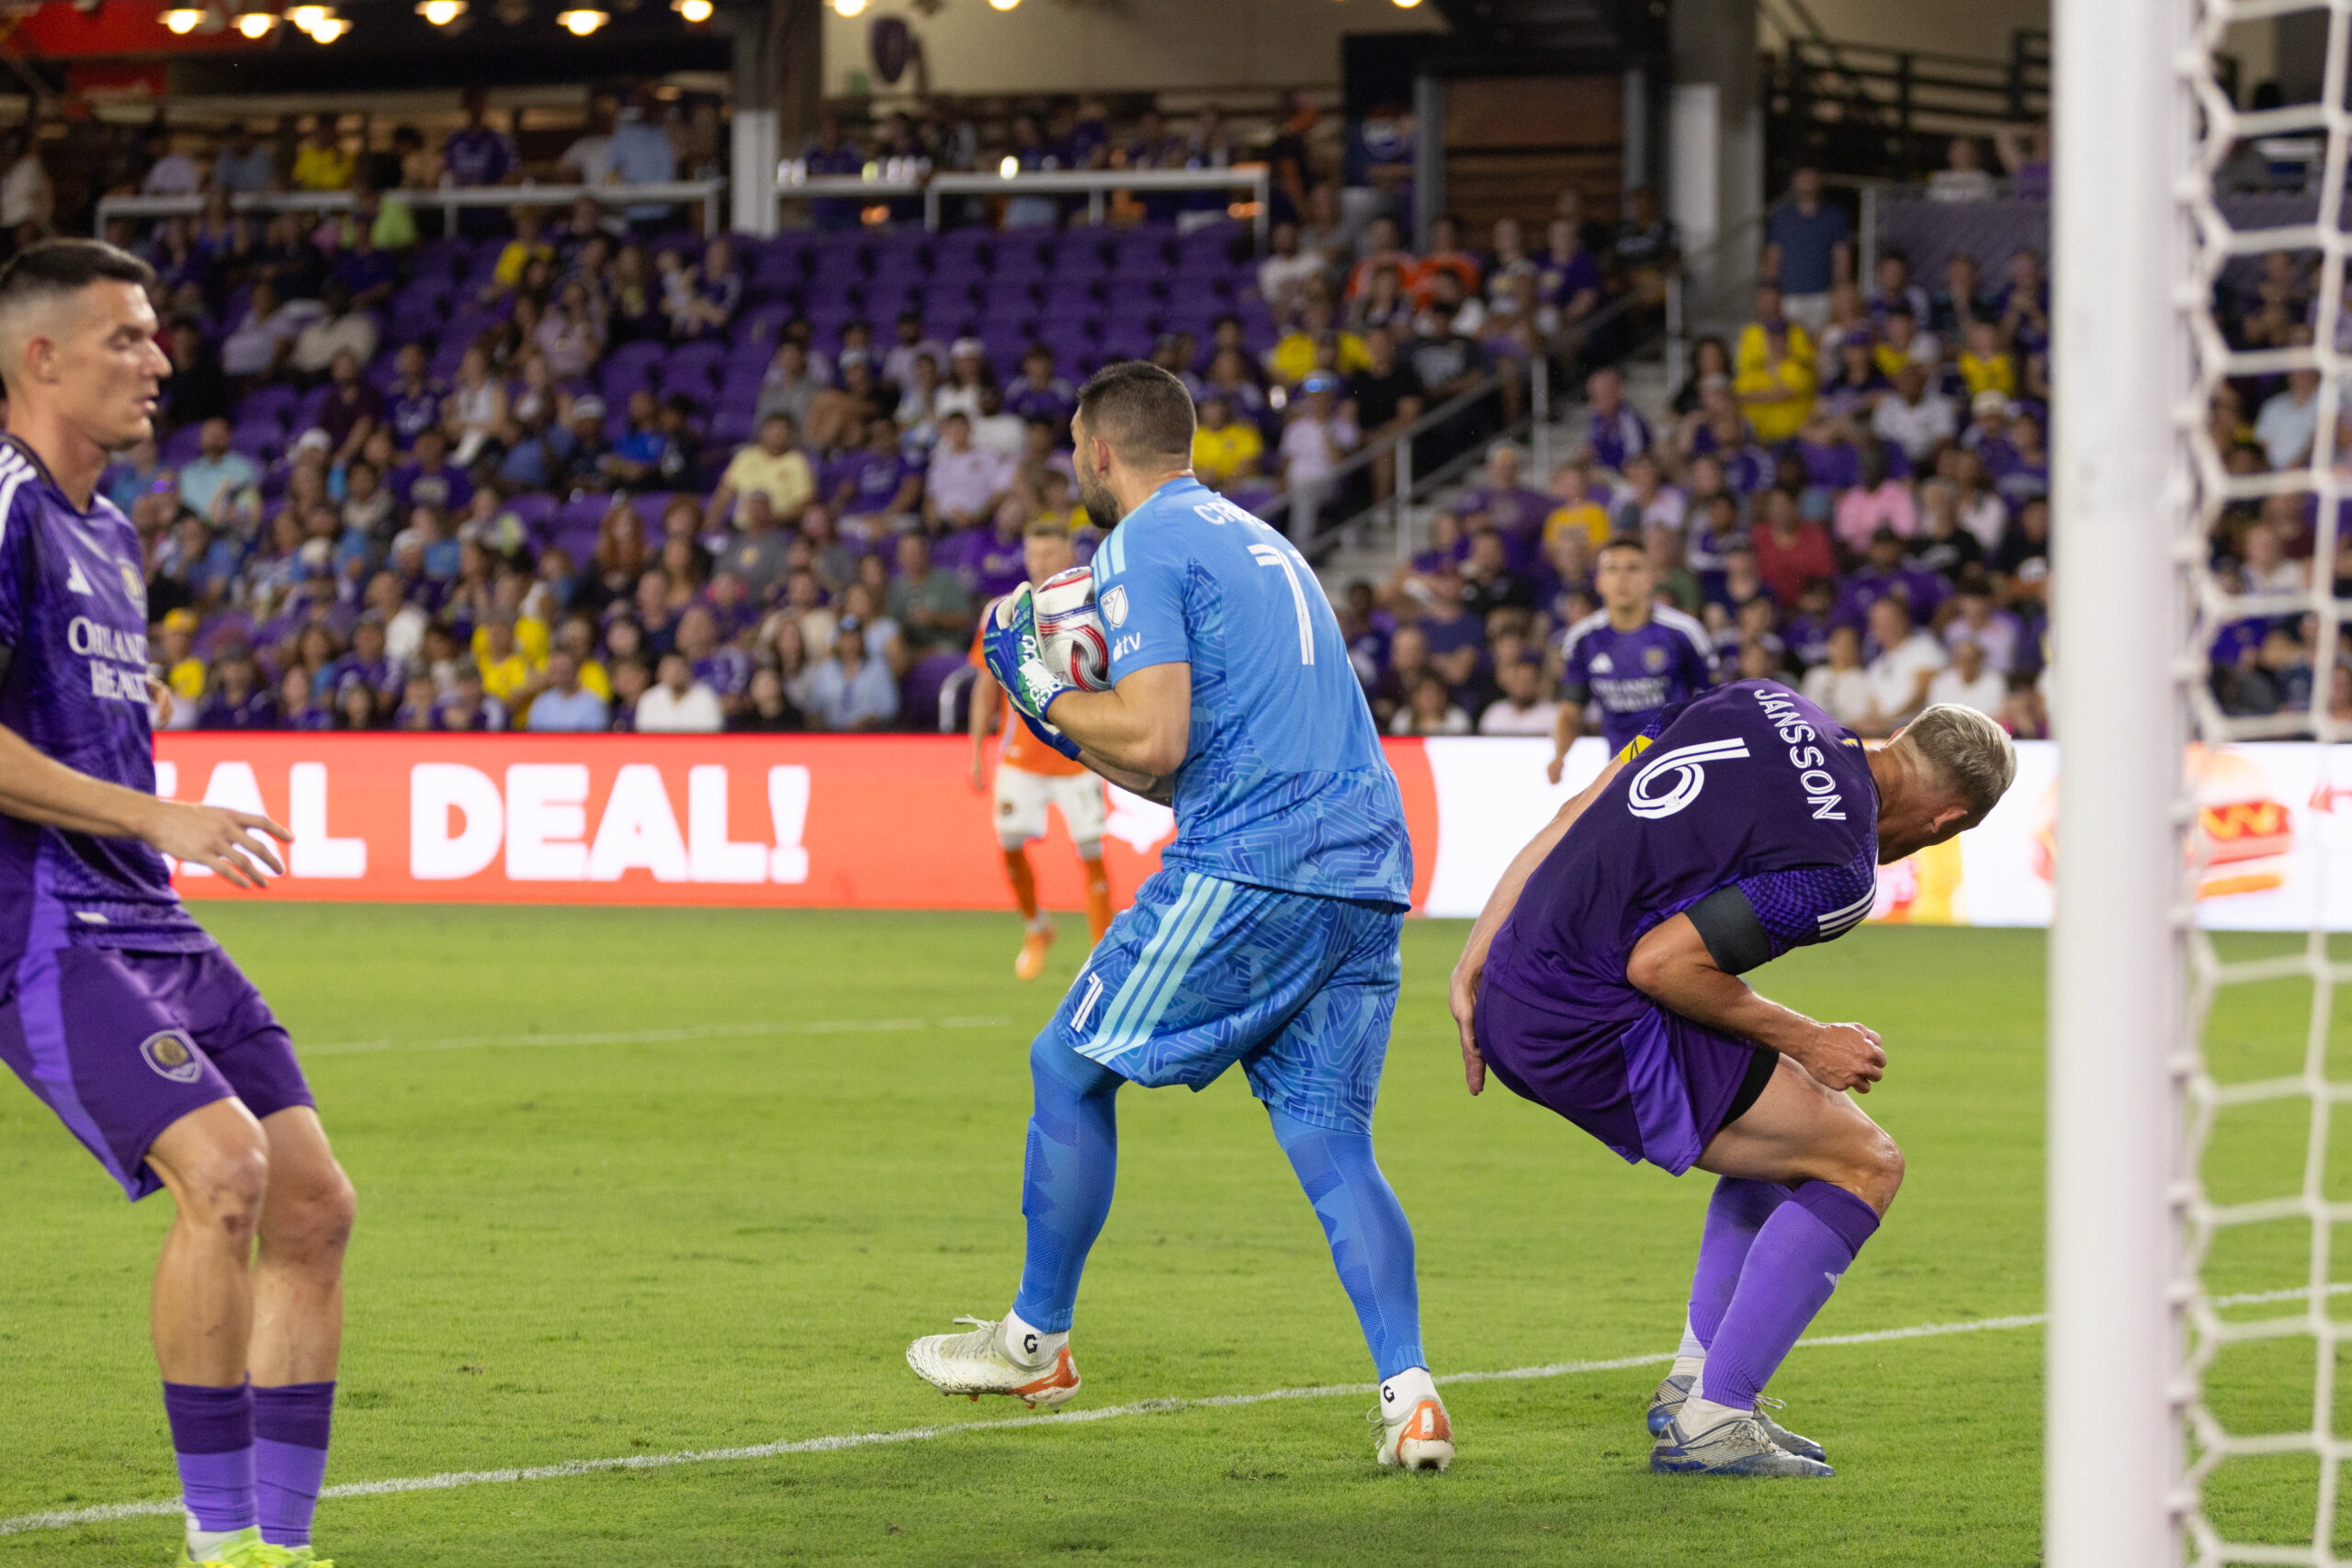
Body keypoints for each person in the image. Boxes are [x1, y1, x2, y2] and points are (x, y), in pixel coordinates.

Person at [914, 361, 1455, 1472]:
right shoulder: (1263, 544)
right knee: (1327, 1136)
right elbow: (1185, 762)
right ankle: (1412, 1397)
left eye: (1075, 447)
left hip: (1260, 862)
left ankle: (1035, 1341)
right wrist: (1068, 726)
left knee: (1067, 1068)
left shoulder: (1141, 548)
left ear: (1100, 451)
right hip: (1366, 867)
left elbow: (1154, 741)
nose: (1075, 465)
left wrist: (1036, 685)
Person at [0, 240, 355, 1562]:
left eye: (156, 337)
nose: (160, 361)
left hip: (138, 906)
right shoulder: (7, 503)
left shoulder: (113, 529)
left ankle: (283, 1542)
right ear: (42, 357)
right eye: (128, 339)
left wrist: (123, 721)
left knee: (314, 1201)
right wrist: (163, 811)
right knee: (225, 1173)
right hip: (33, 909)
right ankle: (221, 1546)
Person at [1451, 690, 2015, 1474]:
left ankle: (1693, 1384)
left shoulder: (1760, 701)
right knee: (1864, 1162)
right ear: (1946, 823)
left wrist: (1479, 950)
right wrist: (1810, 1038)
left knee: (1800, 1138)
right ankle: (1717, 1418)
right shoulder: (1842, 866)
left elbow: (1580, 809)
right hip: (1586, 1019)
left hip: (1517, 976)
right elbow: (1663, 964)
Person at [967, 522, 1117, 980]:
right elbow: (985, 682)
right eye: (1033, 555)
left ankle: (1101, 953)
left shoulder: (1091, 600)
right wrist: (976, 747)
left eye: (1049, 555)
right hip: (1021, 753)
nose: (1039, 564)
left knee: (1090, 847)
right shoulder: (1005, 610)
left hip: (1081, 749)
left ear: (1070, 553)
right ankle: (1036, 927)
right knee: (1009, 842)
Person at [1546, 537, 1717, 784]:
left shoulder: (1684, 632)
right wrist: (1559, 755)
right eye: (1612, 569)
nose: (1622, 578)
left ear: (1651, 579)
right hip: (1620, 771)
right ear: (1599, 581)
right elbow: (1571, 710)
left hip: (1682, 763)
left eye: (1633, 568)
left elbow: (1716, 701)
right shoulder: (1583, 639)